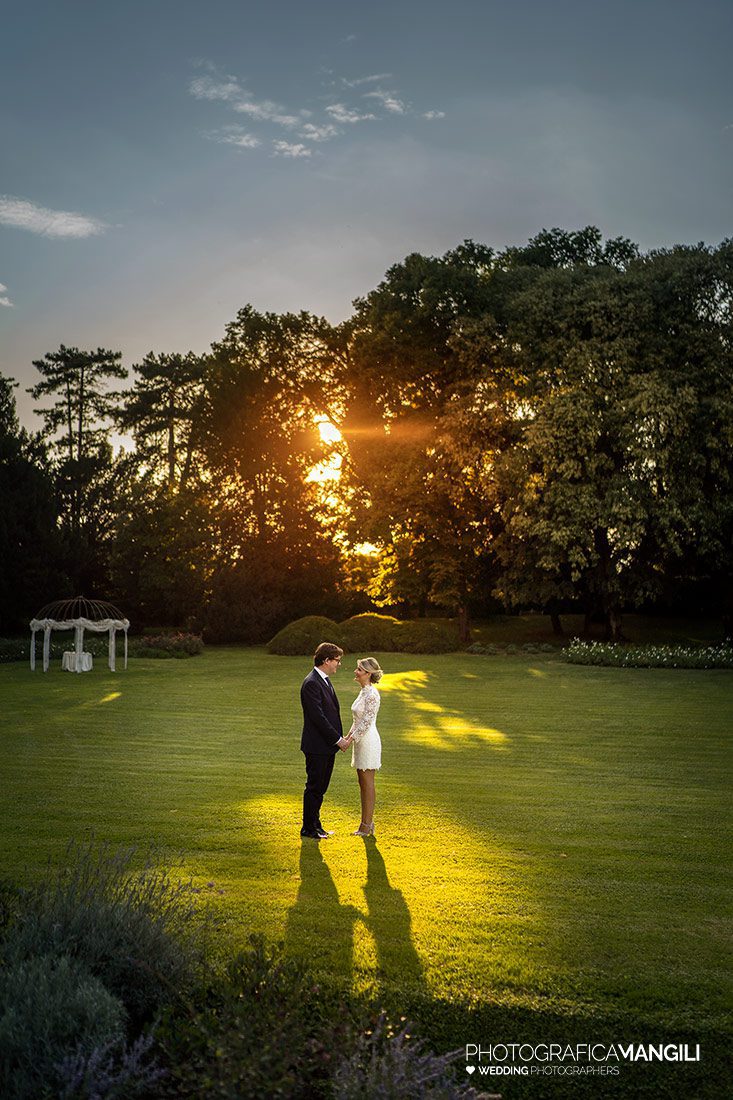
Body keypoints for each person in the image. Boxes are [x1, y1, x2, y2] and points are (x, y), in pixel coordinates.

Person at [300, 642, 352, 839]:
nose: (338, 664)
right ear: (326, 660)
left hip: (325, 747)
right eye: (336, 661)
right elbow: (318, 718)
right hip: (316, 746)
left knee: (321, 788)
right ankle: (308, 828)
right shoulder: (312, 682)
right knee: (314, 787)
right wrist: (338, 740)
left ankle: (316, 825)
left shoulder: (324, 680)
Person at [349, 657, 383, 838]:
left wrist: (349, 739)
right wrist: (347, 738)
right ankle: (365, 824)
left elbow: (366, 722)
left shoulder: (372, 694)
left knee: (368, 784)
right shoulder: (363, 692)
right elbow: (357, 720)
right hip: (360, 740)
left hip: (368, 741)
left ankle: (367, 825)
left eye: (359, 669)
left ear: (368, 674)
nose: (356, 671)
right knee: (362, 782)